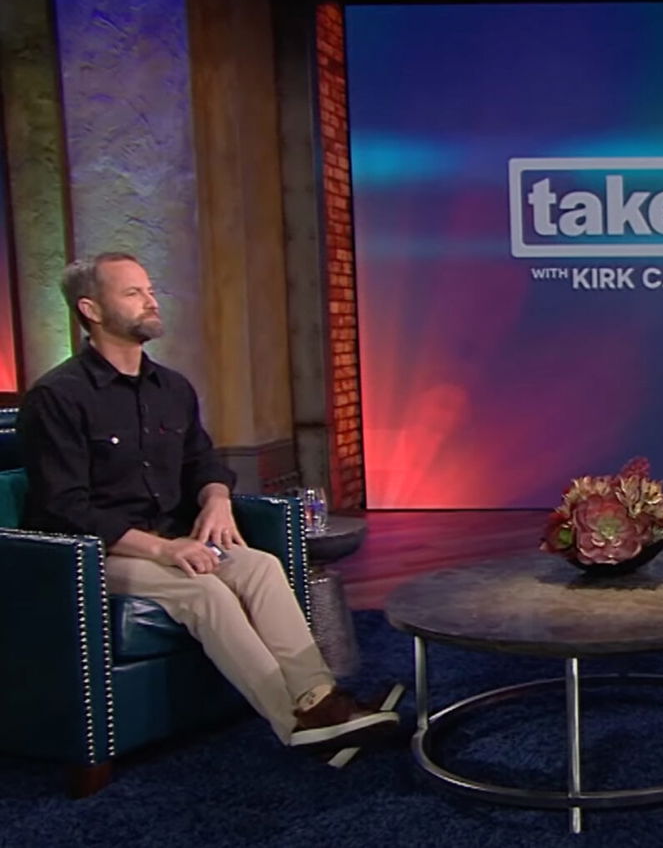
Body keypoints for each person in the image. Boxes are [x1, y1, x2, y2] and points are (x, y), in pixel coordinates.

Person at [18, 252, 399, 752]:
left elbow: (203, 462)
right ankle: (293, 722)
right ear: (90, 309)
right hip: (95, 555)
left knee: (260, 567)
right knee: (205, 593)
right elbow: (65, 507)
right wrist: (163, 550)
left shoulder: (171, 387)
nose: (151, 300)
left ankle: (320, 698)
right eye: (132, 293)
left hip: (172, 539)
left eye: (149, 289)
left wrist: (216, 499)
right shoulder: (57, 397)